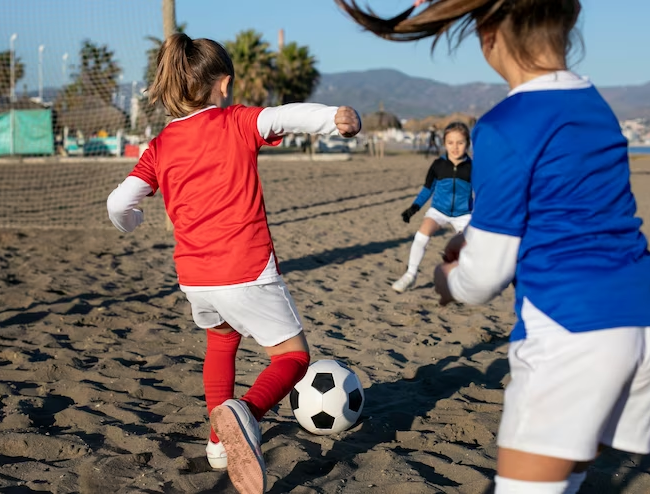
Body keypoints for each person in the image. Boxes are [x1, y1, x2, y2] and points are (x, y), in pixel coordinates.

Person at [336, 1, 650, 494]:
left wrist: (447, 280)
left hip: (569, 331)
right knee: (570, 478)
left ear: (488, 32)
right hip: (637, 319)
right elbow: (562, 210)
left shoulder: (506, 124)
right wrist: (471, 235)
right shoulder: (595, 104)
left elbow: (483, 280)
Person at [106, 33, 361, 494]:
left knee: (221, 344)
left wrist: (133, 220)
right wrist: (334, 119)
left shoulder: (160, 145)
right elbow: (286, 115)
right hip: (245, 268)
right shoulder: (237, 122)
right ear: (222, 84)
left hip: (195, 277)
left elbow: (119, 202)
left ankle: (217, 444)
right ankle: (246, 413)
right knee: (294, 357)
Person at [392, 121, 472, 293]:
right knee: (422, 233)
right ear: (444, 143)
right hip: (438, 210)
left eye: (460, 143)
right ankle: (410, 275)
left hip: (464, 214)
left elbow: (481, 193)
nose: (455, 147)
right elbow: (427, 189)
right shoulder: (438, 165)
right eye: (450, 143)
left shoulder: (473, 168)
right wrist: (414, 208)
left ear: (468, 144)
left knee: (468, 245)